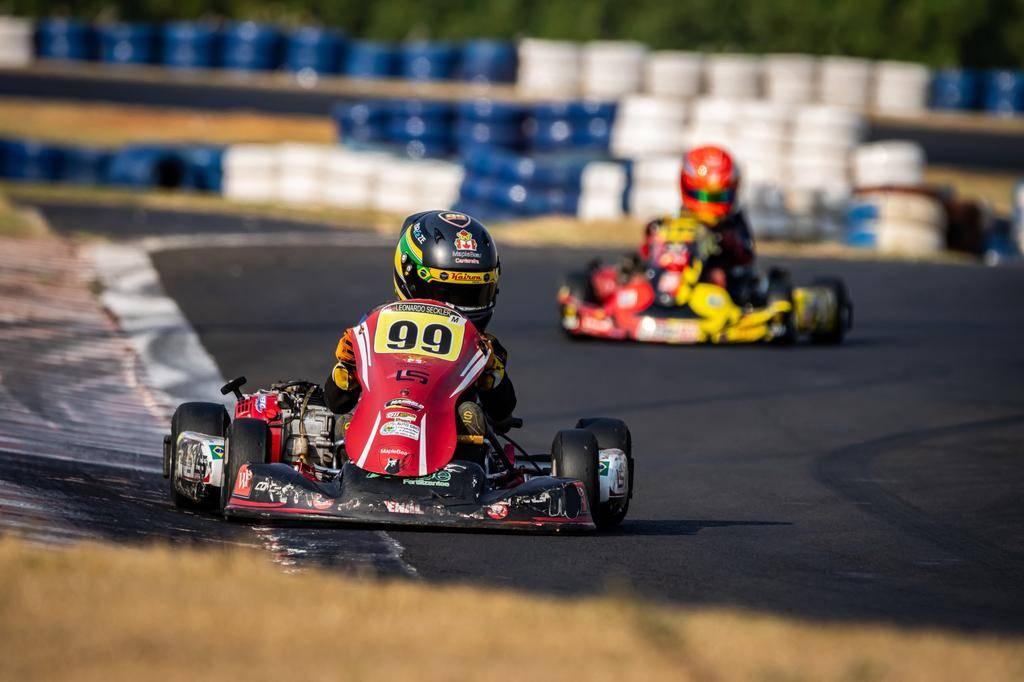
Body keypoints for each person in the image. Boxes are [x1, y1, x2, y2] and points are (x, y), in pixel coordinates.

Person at [324, 210, 515, 441]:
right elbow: (336, 401)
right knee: (342, 425)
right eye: (447, 293)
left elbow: (502, 415)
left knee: (470, 416)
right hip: (378, 430)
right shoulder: (375, 325)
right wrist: (345, 369)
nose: (457, 308)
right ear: (412, 278)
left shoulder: (484, 349)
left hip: (449, 446)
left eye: (472, 295)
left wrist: (492, 375)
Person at [640, 145, 755, 295]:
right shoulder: (669, 224)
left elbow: (746, 255)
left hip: (713, 290)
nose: (708, 202)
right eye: (702, 195)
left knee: (718, 275)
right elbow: (645, 253)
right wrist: (654, 240)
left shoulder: (732, 225)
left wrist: (726, 242)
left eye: (717, 196)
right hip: (665, 280)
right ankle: (656, 293)